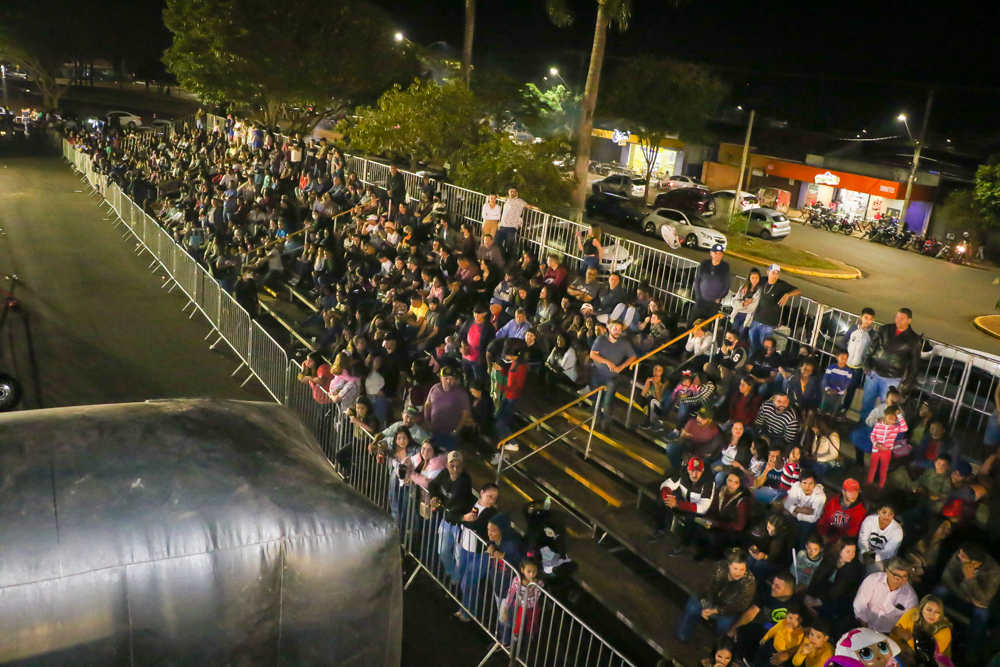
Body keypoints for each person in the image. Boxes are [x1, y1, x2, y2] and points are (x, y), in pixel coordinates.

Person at [933, 542, 999, 660]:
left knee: (982, 614)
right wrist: (965, 596)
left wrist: (970, 578)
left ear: (974, 563)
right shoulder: (958, 557)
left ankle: (971, 653)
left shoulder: (994, 570)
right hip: (960, 595)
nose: (959, 556)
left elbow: (984, 598)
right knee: (940, 590)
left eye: (963, 557)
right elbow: (946, 577)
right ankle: (929, 625)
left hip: (977, 605)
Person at [677, 548, 757, 642]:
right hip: (712, 599)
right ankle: (684, 635)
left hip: (728, 609)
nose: (738, 573)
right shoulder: (719, 568)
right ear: (728, 566)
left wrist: (715, 611)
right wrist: (706, 606)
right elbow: (705, 587)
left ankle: (720, 644)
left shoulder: (749, 582)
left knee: (724, 625)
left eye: (742, 569)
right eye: (735, 568)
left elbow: (739, 606)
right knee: (692, 607)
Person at [861, 308, 922, 420]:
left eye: (902, 318)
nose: (898, 320)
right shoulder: (885, 329)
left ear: (909, 320)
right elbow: (872, 347)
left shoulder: (914, 340)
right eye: (897, 317)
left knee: (887, 406)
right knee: (867, 401)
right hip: (873, 372)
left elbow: (914, 362)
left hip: (892, 378)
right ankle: (863, 423)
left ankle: (880, 429)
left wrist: (909, 379)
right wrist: (866, 363)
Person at [650, 457, 716, 555]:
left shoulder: (708, 482)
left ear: (702, 470)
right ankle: (661, 528)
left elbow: (703, 507)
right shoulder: (683, 473)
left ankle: (684, 546)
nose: (694, 474)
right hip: (683, 502)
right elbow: (666, 484)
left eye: (698, 471)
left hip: (696, 509)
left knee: (692, 517)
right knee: (661, 499)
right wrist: (669, 498)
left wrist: (677, 504)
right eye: (692, 470)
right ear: (688, 469)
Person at [727, 570, 801, 655]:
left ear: (788, 591)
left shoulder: (796, 605)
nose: (773, 587)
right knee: (740, 632)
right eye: (773, 583)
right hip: (760, 628)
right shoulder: (767, 593)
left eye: (777, 586)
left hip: (777, 636)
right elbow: (751, 612)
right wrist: (735, 628)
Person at [428, 451, 475, 581]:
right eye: (452, 465)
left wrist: (438, 500)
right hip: (447, 519)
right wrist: (434, 496)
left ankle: (457, 580)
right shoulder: (444, 473)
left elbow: (452, 503)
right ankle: (450, 571)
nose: (455, 469)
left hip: (460, 522)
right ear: (447, 465)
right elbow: (432, 485)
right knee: (442, 550)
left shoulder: (464, 481)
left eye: (458, 466)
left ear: (463, 466)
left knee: (459, 555)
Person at [455, 483, 500, 621]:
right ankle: (467, 608)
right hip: (465, 548)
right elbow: (455, 514)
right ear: (481, 493)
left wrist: (463, 518)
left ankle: (469, 612)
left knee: (467, 583)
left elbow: (478, 526)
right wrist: (463, 518)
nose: (492, 501)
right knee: (468, 583)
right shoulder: (472, 504)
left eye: (495, 498)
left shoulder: (492, 513)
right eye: (489, 496)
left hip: (481, 553)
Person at [588, 320, 637, 430]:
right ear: (609, 329)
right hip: (597, 374)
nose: (618, 332)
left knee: (607, 402)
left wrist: (622, 367)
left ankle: (606, 426)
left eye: (620, 329)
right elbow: (593, 354)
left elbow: (633, 357)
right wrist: (607, 362)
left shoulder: (624, 343)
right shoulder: (601, 339)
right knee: (596, 400)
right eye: (615, 329)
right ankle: (596, 421)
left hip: (612, 377)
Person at [804, 540, 865, 622]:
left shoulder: (854, 567)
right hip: (827, 590)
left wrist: (817, 601)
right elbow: (817, 576)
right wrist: (809, 595)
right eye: (848, 551)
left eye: (853, 552)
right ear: (839, 550)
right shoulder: (830, 558)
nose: (851, 555)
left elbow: (839, 589)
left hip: (842, 598)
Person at [853, 558, 918, 633]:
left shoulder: (910, 595)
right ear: (887, 571)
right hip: (862, 625)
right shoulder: (873, 580)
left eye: (904, 576)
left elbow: (909, 619)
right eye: (897, 576)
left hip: (887, 633)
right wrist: (864, 626)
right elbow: (860, 604)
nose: (900, 580)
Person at [748, 265, 801, 354]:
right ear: (768, 272)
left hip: (769, 324)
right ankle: (750, 364)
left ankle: (760, 365)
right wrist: (747, 287)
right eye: (773, 273)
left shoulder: (781, 285)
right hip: (756, 320)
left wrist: (787, 295)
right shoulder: (763, 280)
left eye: (777, 273)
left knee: (765, 349)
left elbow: (798, 290)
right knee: (753, 347)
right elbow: (752, 279)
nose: (775, 275)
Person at [423, 366, 472, 451]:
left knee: (449, 458)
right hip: (435, 430)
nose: (449, 381)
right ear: (441, 378)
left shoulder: (461, 393)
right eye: (446, 378)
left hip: (451, 433)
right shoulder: (434, 388)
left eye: (451, 378)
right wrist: (426, 420)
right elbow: (428, 404)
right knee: (433, 454)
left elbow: (466, 413)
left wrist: (456, 430)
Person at [890, 595, 952, 661]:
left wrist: (909, 641)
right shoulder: (912, 614)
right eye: (929, 610)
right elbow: (894, 631)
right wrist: (900, 632)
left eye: (937, 612)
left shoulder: (944, 631)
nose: (932, 614)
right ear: (921, 609)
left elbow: (929, 655)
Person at [840, 308, 876, 416]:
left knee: (851, 389)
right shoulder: (853, 328)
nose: (867, 321)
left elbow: (872, 350)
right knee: (840, 384)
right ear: (860, 317)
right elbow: (843, 341)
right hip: (846, 363)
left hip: (858, 367)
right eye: (865, 318)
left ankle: (845, 407)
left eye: (870, 319)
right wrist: (843, 355)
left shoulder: (873, 334)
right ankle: (834, 404)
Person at [666, 406, 723, 472]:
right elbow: (682, 439)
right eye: (699, 416)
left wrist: (692, 456)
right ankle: (677, 470)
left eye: (703, 418)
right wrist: (684, 437)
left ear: (710, 420)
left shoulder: (716, 432)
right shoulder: (692, 422)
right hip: (690, 448)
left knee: (699, 462)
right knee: (671, 447)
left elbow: (709, 452)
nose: (699, 419)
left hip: (703, 455)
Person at [755, 602, 805, 667]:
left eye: (797, 619)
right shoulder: (783, 622)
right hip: (774, 644)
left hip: (782, 652)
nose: (792, 621)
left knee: (773, 662)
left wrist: (788, 631)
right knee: (762, 648)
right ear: (786, 615)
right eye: (790, 618)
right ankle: (754, 664)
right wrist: (765, 638)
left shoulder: (799, 632)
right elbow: (773, 630)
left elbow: (792, 643)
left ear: (801, 620)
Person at [868, 405, 907, 489]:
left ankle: (881, 486)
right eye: (890, 418)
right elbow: (872, 435)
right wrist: (875, 444)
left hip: (887, 451)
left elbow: (904, 428)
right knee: (873, 467)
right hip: (876, 449)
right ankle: (869, 483)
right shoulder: (878, 424)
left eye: (894, 419)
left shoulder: (895, 427)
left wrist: (900, 416)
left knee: (883, 469)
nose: (892, 421)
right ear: (885, 415)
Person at [858, 501, 903, 570]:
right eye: (884, 512)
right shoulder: (869, 520)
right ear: (879, 512)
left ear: (893, 515)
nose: (887, 516)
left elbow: (888, 551)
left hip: (884, 558)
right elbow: (863, 538)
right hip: (866, 552)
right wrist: (865, 551)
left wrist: (874, 557)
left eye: (890, 513)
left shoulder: (897, 530)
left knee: (874, 568)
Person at [495, 187, 537, 257]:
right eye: (511, 191)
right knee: (497, 243)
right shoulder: (507, 199)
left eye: (514, 192)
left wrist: (536, 208)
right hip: (503, 225)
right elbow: (502, 198)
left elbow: (528, 206)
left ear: (517, 193)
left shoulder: (520, 201)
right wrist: (498, 197)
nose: (512, 193)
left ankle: (508, 259)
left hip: (512, 227)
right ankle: (499, 257)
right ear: (508, 192)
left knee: (509, 245)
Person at [783, 471, 827, 538]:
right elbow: (786, 504)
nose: (807, 486)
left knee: (806, 527)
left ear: (814, 484)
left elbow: (814, 518)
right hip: (798, 514)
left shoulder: (820, 496)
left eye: (810, 483)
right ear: (800, 483)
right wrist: (800, 509)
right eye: (804, 483)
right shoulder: (796, 486)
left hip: (810, 522)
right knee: (783, 515)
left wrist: (796, 513)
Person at [693, 244, 731, 320]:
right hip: (701, 301)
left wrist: (719, 298)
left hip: (713, 303)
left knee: (707, 325)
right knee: (693, 321)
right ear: (711, 253)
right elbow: (697, 281)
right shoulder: (704, 264)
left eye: (720, 254)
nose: (717, 256)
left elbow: (727, 284)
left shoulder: (725, 266)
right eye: (715, 253)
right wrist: (698, 297)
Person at [821, 349, 853, 415]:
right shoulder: (831, 368)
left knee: (834, 409)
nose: (844, 360)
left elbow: (846, 384)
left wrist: (838, 389)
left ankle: (831, 420)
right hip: (828, 391)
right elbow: (825, 379)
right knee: (823, 407)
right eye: (842, 358)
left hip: (839, 393)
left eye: (846, 358)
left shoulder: (848, 372)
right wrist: (828, 388)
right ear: (837, 357)